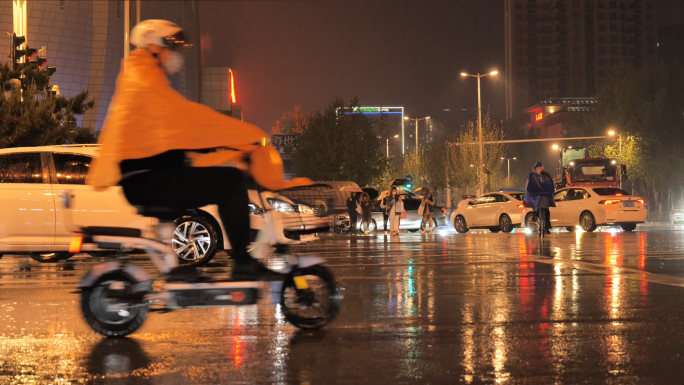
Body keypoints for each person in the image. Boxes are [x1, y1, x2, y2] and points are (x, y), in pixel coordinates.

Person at [87, 20, 312, 280]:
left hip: (146, 178)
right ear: (156, 46)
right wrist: (247, 137)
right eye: (174, 47)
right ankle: (242, 262)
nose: (178, 56)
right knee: (231, 182)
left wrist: (227, 149)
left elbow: (179, 134)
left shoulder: (143, 76)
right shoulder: (143, 79)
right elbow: (186, 120)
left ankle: (186, 267)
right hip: (148, 181)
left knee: (218, 176)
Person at [524, 162, 555, 235]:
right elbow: (529, 186)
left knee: (546, 210)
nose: (539, 169)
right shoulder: (531, 176)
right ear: (535, 169)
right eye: (537, 168)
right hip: (535, 195)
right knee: (536, 208)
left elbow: (550, 185)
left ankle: (546, 226)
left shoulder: (546, 175)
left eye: (540, 168)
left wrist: (550, 192)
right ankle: (535, 217)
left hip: (545, 195)